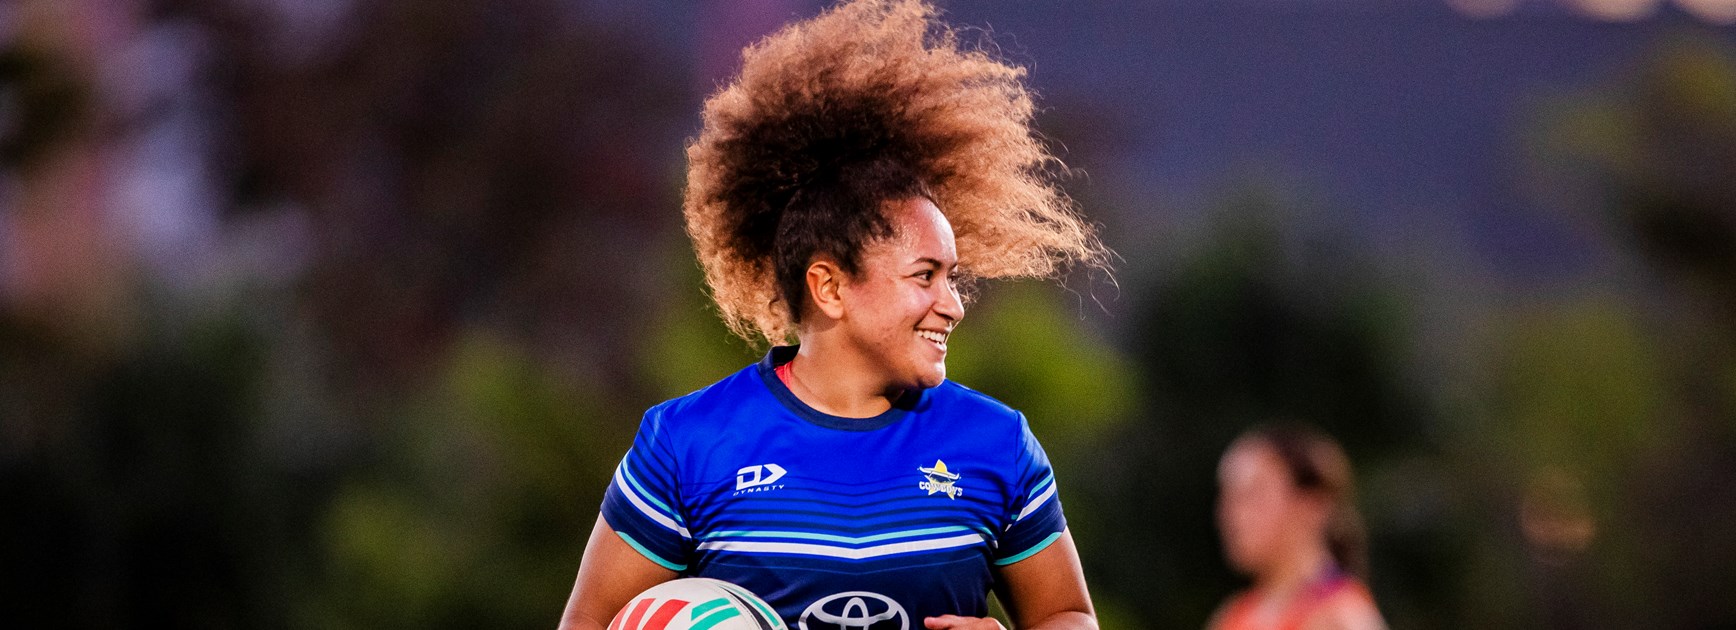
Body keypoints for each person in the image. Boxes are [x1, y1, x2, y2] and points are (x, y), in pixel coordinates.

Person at [556, 1, 1110, 629]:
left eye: (952, 277)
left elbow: (1068, 615)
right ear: (830, 287)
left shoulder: (997, 444)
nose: (953, 304)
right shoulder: (687, 444)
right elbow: (588, 623)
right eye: (925, 276)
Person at [1208, 425, 1387, 630]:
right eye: (1228, 498)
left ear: (1312, 504)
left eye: (1252, 494)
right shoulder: (1233, 615)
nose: (1230, 514)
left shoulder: (1342, 617)